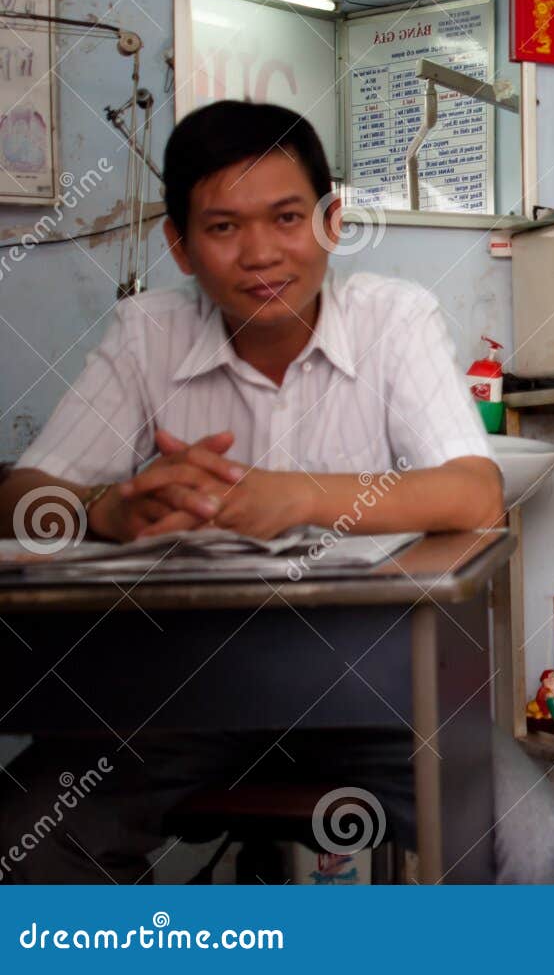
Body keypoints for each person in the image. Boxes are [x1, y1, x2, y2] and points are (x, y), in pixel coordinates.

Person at [0, 100, 503, 882]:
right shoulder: (147, 335)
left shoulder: (393, 320)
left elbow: (475, 493)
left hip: (370, 692)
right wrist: (104, 511)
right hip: (181, 694)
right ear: (179, 244)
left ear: (331, 221)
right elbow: (24, 491)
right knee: (29, 833)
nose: (262, 254)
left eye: (287, 217)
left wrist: (300, 496)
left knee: (508, 833)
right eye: (224, 227)